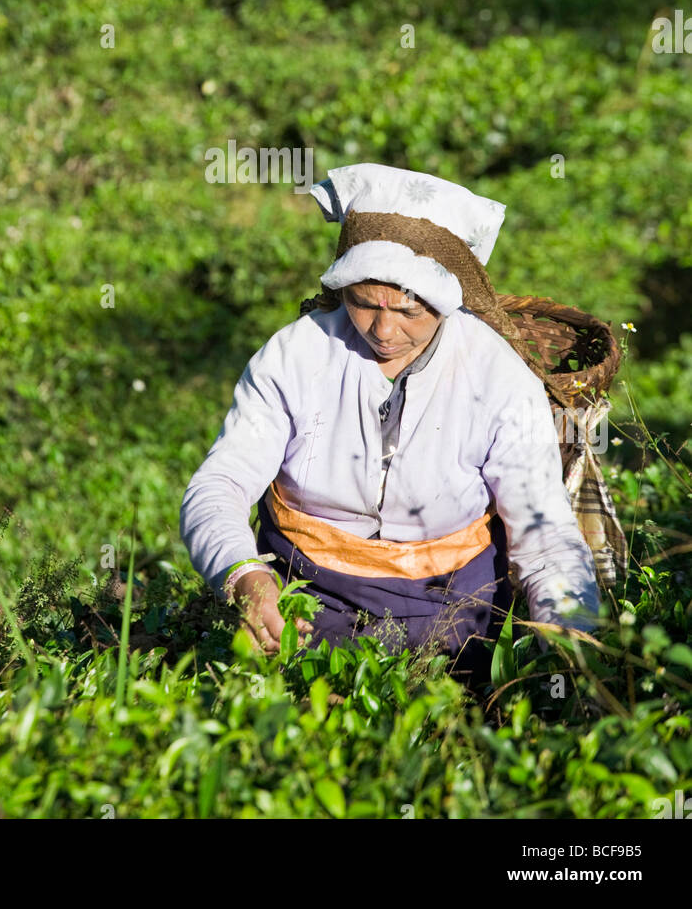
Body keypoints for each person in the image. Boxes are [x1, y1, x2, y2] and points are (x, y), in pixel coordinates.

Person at [180, 163, 600, 674]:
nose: (382, 330)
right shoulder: (296, 355)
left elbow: (544, 530)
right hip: (302, 605)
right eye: (362, 303)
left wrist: (575, 646)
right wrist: (244, 576)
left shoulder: (497, 375)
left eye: (408, 311)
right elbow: (218, 484)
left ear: (446, 303)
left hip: (454, 618)